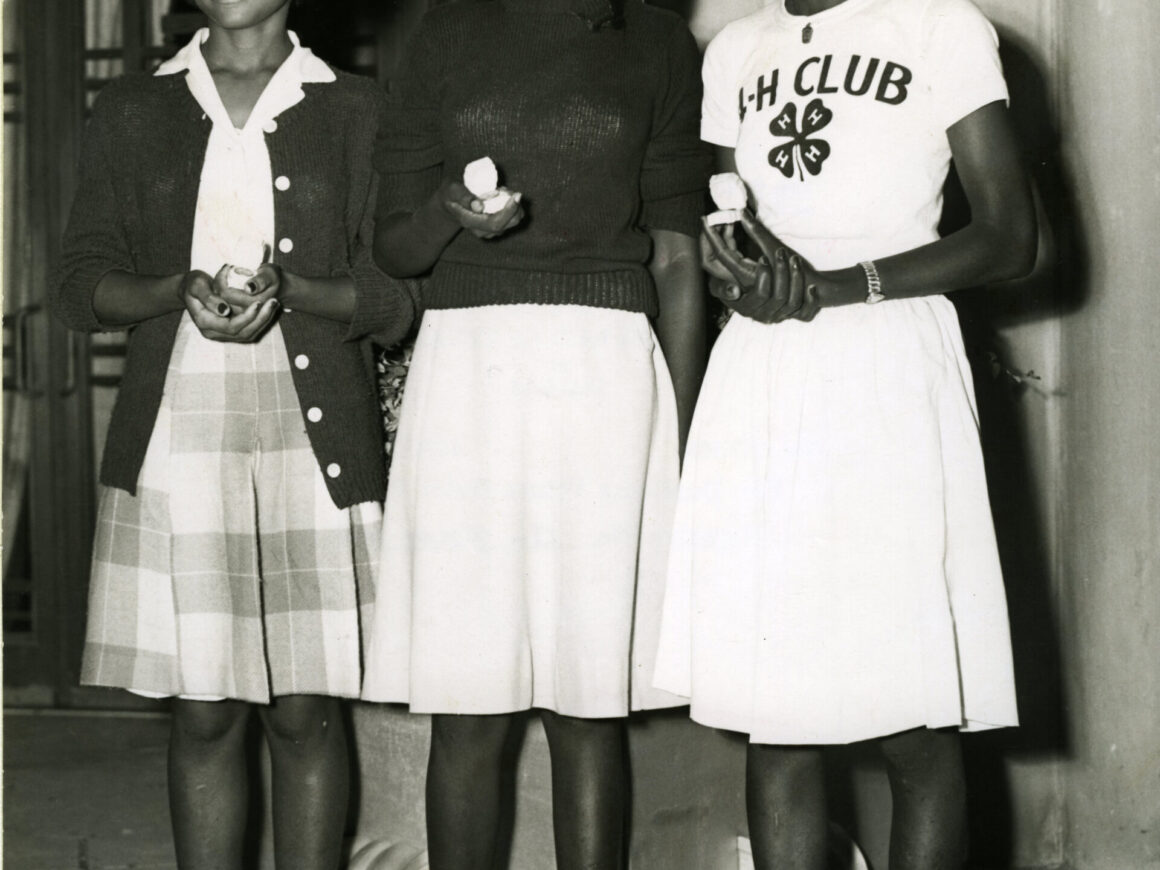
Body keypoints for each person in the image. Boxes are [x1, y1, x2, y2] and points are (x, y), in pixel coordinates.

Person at [653, 0, 1036, 867]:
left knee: (913, 720)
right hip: (764, 375)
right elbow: (735, 228)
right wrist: (734, 271)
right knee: (778, 721)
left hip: (888, 369)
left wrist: (841, 284)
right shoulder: (735, 51)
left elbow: (1013, 237)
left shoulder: (937, 25)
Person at [50, 1, 413, 867]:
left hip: (313, 437)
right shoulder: (134, 107)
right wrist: (175, 288)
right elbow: (79, 284)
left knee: (305, 709)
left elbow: (397, 297)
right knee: (205, 707)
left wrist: (290, 291)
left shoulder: (358, 107)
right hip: (181, 430)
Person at [359, 1, 710, 867]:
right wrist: (448, 212)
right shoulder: (441, 32)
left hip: (608, 376)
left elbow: (675, 258)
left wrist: (692, 432)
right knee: (468, 703)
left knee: (588, 708)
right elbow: (395, 248)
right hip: (469, 379)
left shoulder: (658, 41)